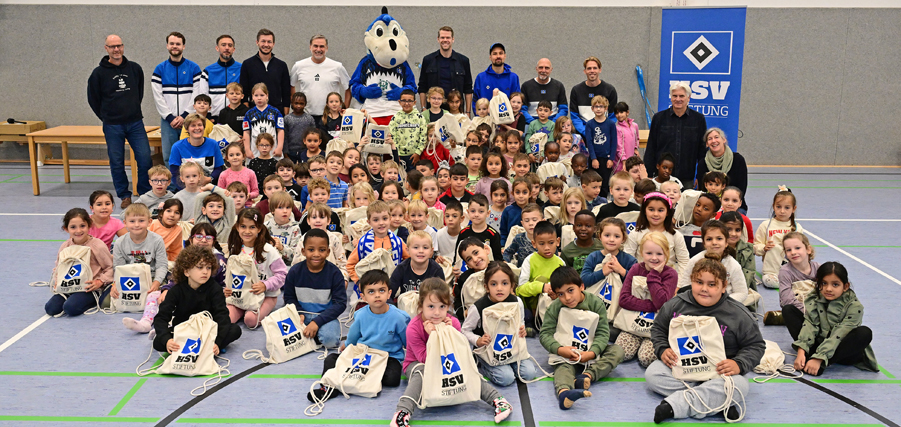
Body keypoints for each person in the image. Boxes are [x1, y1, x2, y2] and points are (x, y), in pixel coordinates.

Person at [646, 257, 764, 423]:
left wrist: (738, 363)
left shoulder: (738, 313)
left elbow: (756, 345)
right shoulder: (675, 305)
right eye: (699, 282)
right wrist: (662, 349)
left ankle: (675, 406)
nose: (704, 289)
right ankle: (718, 402)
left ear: (724, 286)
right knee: (653, 374)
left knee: (739, 385)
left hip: (719, 373)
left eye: (712, 284)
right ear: (691, 281)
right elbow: (658, 328)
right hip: (684, 366)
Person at [390, 278, 513, 427]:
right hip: (419, 363)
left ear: (448, 306)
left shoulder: (452, 322)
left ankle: (498, 400)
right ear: (421, 306)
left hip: (447, 360)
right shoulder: (413, 328)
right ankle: (402, 413)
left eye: (442, 306)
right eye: (431, 306)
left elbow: (460, 352)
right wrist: (434, 336)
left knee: (468, 371)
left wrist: (452, 331)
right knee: (421, 373)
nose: (437, 313)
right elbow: (426, 359)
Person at [308, 270, 409, 403]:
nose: (377, 295)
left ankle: (357, 379)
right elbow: (353, 336)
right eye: (371, 291)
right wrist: (348, 347)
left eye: (382, 290)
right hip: (363, 354)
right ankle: (328, 387)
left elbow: (408, 341)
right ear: (363, 296)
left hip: (388, 356)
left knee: (392, 379)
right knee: (331, 360)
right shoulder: (360, 315)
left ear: (389, 293)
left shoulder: (399, 317)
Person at [539, 266, 625, 410]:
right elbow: (545, 334)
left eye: (571, 290)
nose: (567, 298)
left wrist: (592, 353)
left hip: (590, 350)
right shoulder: (555, 307)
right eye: (560, 294)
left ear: (581, 287)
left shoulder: (596, 303)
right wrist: (560, 350)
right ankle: (564, 393)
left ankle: (586, 376)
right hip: (568, 353)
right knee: (562, 368)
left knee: (617, 351)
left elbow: (603, 333)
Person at [88, 34, 152, 208]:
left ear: (123, 47)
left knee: (145, 158)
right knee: (117, 162)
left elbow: (138, 93)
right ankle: (124, 195)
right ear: (106, 49)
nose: (116, 49)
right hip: (112, 125)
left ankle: (145, 193)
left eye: (119, 46)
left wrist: (130, 110)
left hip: (135, 123)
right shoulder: (98, 74)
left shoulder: (135, 69)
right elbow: (93, 99)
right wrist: (107, 117)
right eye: (112, 46)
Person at [463, 261, 542, 386]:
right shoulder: (478, 307)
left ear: (512, 286)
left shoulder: (517, 302)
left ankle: (510, 363)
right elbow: (465, 330)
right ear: (486, 287)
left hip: (512, 347)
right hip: (489, 350)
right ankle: (482, 362)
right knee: (506, 378)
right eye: (494, 284)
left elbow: (519, 322)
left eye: (504, 283)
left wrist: (522, 330)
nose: (499, 288)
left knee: (529, 374)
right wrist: (477, 340)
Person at [791, 262, 877, 376]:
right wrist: (801, 352)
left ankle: (821, 363)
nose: (828, 289)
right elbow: (810, 324)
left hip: (843, 352)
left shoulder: (855, 306)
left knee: (864, 332)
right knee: (789, 311)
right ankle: (808, 356)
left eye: (835, 284)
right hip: (819, 343)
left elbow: (839, 334)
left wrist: (819, 359)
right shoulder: (814, 298)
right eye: (824, 283)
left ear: (845, 286)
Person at [153, 245, 242, 355]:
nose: (205, 272)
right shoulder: (176, 291)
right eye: (200, 267)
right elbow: (161, 317)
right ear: (186, 271)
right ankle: (202, 348)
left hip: (208, 331)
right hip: (185, 330)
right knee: (158, 342)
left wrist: (217, 342)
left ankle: (210, 346)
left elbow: (222, 317)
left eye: (208, 268)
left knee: (234, 330)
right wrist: (167, 340)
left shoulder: (215, 289)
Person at [283, 229, 346, 349]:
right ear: (303, 251)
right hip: (300, 315)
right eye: (311, 250)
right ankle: (313, 334)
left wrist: (317, 322)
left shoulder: (335, 273)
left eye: (321, 250)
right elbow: (289, 297)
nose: (316, 254)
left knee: (331, 341)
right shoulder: (294, 272)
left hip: (325, 317)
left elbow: (340, 304)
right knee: (282, 339)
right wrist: (299, 313)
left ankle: (314, 333)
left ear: (328, 252)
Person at [45, 208, 113, 317]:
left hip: (89, 288)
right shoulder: (65, 246)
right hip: (69, 287)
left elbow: (110, 268)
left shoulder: (97, 245)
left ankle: (96, 299)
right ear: (66, 229)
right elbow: (59, 267)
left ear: (89, 225)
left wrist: (100, 281)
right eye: (73, 227)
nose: (78, 231)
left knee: (70, 308)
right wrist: (57, 281)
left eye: (82, 226)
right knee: (50, 309)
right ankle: (71, 297)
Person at [226, 208, 287, 328]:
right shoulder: (235, 248)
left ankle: (252, 310)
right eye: (243, 226)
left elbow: (282, 275)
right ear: (237, 227)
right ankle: (243, 308)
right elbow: (230, 275)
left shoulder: (268, 250)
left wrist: (265, 285)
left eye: (252, 227)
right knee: (226, 318)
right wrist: (227, 288)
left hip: (266, 295)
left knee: (250, 320)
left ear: (259, 228)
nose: (247, 231)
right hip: (241, 295)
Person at [152, 32, 202, 165]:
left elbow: (197, 94)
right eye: (172, 43)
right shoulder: (160, 69)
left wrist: (185, 115)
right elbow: (158, 96)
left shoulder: (194, 68)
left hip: (189, 120)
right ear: (167, 46)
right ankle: (173, 186)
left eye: (178, 44)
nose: (175, 46)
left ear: (183, 46)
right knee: (169, 156)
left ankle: (190, 185)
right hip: (168, 122)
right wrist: (169, 117)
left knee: (191, 155)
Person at [644, 82, 708, 186]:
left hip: (687, 177)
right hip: (662, 178)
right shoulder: (658, 118)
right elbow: (651, 147)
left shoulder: (698, 119)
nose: (678, 99)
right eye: (675, 96)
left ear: (688, 98)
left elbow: (702, 150)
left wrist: (700, 175)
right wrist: (649, 173)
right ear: (671, 97)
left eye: (682, 96)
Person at [677, 220, 749, 304]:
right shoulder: (694, 261)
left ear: (726, 242)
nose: (714, 242)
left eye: (719, 238)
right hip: (698, 302)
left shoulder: (733, 265)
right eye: (709, 239)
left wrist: (721, 302)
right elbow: (685, 286)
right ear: (704, 243)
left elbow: (742, 292)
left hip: (724, 305)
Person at [112, 203, 168, 305]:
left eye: (141, 221)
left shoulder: (157, 240)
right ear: (125, 223)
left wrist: (156, 282)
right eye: (132, 221)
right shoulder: (120, 242)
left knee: (162, 300)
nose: (137, 225)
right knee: (106, 301)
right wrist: (116, 283)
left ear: (149, 222)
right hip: (129, 278)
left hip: (151, 277)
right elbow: (118, 268)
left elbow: (162, 266)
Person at [624, 192, 690, 275]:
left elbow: (684, 261)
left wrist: (678, 285)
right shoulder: (635, 233)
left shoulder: (676, 235)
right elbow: (628, 259)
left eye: (660, 210)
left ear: (667, 212)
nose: (655, 214)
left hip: (667, 280)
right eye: (651, 209)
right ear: (644, 210)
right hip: (640, 280)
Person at [290, 35, 351, 123]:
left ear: (327, 48)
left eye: (322, 46)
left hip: (330, 116)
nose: (318, 49)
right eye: (315, 46)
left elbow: (348, 88)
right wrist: (296, 106)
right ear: (310, 47)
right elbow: (291, 85)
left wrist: (345, 109)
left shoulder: (337, 67)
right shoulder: (299, 66)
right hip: (306, 115)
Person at [346, 201, 410, 283]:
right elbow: (350, 264)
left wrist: (401, 277)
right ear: (369, 222)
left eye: (385, 218)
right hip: (370, 285)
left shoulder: (398, 242)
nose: (381, 223)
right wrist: (359, 282)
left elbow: (409, 260)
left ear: (390, 219)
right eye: (376, 220)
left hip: (392, 285)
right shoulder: (363, 243)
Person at [517, 221, 566, 326]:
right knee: (527, 316)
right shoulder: (530, 260)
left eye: (551, 243)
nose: (547, 247)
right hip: (533, 305)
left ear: (558, 242)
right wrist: (542, 287)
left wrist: (556, 293)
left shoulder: (561, 262)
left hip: (554, 302)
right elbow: (521, 288)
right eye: (542, 244)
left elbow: (565, 286)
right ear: (534, 244)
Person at [770, 231, 818, 333]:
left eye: (797, 248)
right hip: (800, 311)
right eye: (788, 250)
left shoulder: (818, 269)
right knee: (788, 310)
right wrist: (808, 313)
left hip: (818, 311)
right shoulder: (785, 271)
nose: (793, 252)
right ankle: (801, 342)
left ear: (808, 249)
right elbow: (787, 300)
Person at [754, 189, 803, 289]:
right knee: (770, 282)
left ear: (794, 209)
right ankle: (782, 281)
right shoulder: (765, 225)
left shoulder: (797, 228)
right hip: (771, 272)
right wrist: (764, 248)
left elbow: (802, 250)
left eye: (787, 207)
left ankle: (791, 278)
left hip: (792, 269)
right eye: (778, 207)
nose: (782, 211)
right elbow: (755, 247)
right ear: (773, 207)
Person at [418, 27, 473, 112]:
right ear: (438, 39)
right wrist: (423, 108)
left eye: (448, 37)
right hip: (434, 111)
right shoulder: (428, 60)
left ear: (453, 39)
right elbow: (422, 87)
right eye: (442, 37)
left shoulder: (463, 61)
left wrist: (468, 112)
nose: (445, 40)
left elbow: (468, 89)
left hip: (456, 111)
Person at [695, 128, 748, 212]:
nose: (713, 141)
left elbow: (741, 188)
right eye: (710, 139)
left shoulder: (738, 160)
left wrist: (727, 204)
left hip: (734, 205)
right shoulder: (702, 163)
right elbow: (703, 189)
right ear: (707, 144)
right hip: (711, 205)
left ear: (724, 140)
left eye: (716, 137)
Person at [239, 29, 290, 115]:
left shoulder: (281, 65)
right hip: (254, 113)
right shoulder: (247, 64)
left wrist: (284, 115)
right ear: (257, 42)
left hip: (276, 113)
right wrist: (247, 112)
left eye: (269, 42)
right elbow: (244, 91)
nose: (266, 45)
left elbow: (286, 93)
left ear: (273, 44)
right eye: (263, 41)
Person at [168, 113, 225, 187]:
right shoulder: (177, 147)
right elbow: (174, 174)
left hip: (209, 187)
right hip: (186, 189)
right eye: (193, 125)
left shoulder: (213, 144)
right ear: (187, 128)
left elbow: (219, 168)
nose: (197, 128)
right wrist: (187, 190)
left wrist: (209, 179)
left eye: (200, 125)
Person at [389, 230, 444, 300]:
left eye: (425, 248)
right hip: (406, 307)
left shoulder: (436, 270)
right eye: (416, 247)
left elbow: (442, 297)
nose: (421, 251)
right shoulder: (401, 268)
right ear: (407, 250)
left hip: (429, 307)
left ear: (431, 251)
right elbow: (389, 294)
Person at [570, 57, 617, 136]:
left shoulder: (610, 90)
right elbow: (574, 116)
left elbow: (613, 116)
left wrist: (603, 130)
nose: (592, 71)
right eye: (589, 68)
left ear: (600, 70)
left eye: (595, 68)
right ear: (585, 71)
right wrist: (586, 131)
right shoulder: (576, 90)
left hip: (603, 134)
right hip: (583, 134)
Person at [199, 35, 242, 120]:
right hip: (214, 119)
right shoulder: (208, 71)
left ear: (234, 49)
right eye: (223, 45)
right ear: (217, 48)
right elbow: (203, 96)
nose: (227, 48)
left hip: (237, 118)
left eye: (230, 45)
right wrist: (207, 116)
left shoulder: (242, 69)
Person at [471, 43, 520, 114]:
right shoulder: (481, 77)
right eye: (495, 54)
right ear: (490, 57)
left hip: (508, 122)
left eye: (501, 53)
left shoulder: (513, 78)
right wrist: (481, 120)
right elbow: (475, 102)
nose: (498, 56)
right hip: (486, 121)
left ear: (505, 56)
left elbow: (518, 102)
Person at [584, 95, 617, 197]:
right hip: (595, 159)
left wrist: (611, 158)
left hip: (606, 159)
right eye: (596, 106)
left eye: (601, 106)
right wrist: (593, 158)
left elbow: (614, 142)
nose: (598, 109)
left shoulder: (611, 124)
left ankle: (602, 201)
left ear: (606, 108)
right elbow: (589, 142)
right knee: (593, 182)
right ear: (592, 109)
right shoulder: (590, 124)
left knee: (604, 183)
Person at [243, 84, 285, 160]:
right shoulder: (248, 114)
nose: (259, 98)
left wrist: (279, 147)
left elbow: (280, 130)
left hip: (272, 149)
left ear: (267, 96)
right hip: (255, 150)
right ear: (252, 97)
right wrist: (247, 149)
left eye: (262, 95)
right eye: (256, 95)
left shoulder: (275, 112)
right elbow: (246, 132)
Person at [389, 90, 428, 171]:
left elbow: (423, 136)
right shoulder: (395, 118)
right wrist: (396, 154)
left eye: (410, 101)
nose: (406, 103)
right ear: (399, 102)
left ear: (414, 102)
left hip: (414, 156)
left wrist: (418, 152)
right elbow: (393, 136)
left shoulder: (420, 118)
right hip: (399, 155)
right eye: (404, 101)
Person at [520, 58, 568, 123]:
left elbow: (563, 109)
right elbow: (522, 109)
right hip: (530, 123)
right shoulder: (526, 86)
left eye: (547, 68)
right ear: (536, 68)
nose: (543, 70)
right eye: (541, 67)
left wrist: (553, 123)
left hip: (553, 124)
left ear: (551, 70)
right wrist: (533, 123)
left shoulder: (558, 86)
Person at [503, 204, 542, 268]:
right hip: (522, 273)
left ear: (543, 221)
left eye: (534, 220)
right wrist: (506, 262)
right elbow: (508, 252)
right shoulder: (519, 238)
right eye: (527, 221)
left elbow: (554, 256)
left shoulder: (547, 239)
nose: (531, 223)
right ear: (522, 223)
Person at [283, 92, 315, 163]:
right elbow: (284, 137)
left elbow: (313, 136)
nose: (298, 106)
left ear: (305, 104)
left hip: (306, 151)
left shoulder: (309, 119)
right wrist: (285, 153)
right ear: (292, 103)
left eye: (301, 104)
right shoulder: (287, 119)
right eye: (296, 103)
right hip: (290, 152)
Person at [499, 178, 531, 246]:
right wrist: (502, 246)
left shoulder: (535, 211)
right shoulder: (508, 211)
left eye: (525, 192)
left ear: (530, 194)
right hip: (511, 245)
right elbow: (503, 232)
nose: (521, 196)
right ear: (512, 193)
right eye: (517, 192)